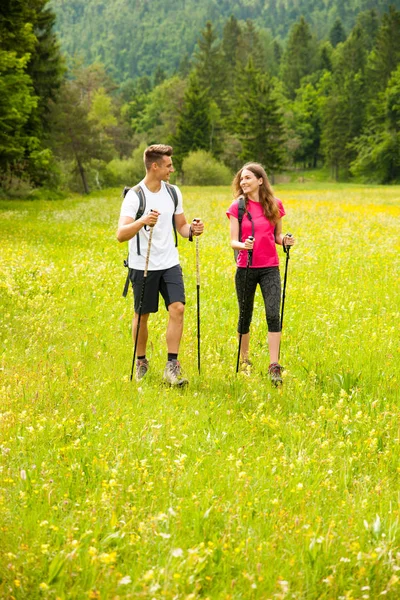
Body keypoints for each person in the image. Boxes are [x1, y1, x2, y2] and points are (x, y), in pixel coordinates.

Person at [117, 144, 204, 385]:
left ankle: (172, 366)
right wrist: (143, 220)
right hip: (141, 265)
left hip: (169, 263)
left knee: (178, 308)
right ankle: (141, 361)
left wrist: (193, 231)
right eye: (168, 165)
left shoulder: (173, 192)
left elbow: (182, 226)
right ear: (154, 166)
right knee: (142, 316)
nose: (172, 169)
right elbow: (121, 234)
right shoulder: (135, 195)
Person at [226, 162, 295, 385]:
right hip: (245, 267)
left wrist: (284, 240)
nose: (243, 182)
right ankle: (244, 362)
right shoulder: (237, 207)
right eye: (241, 179)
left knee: (273, 315)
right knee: (244, 315)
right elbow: (232, 241)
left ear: (260, 180)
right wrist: (243, 245)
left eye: (247, 178)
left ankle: (274, 365)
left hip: (270, 268)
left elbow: (277, 235)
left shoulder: (275, 205)